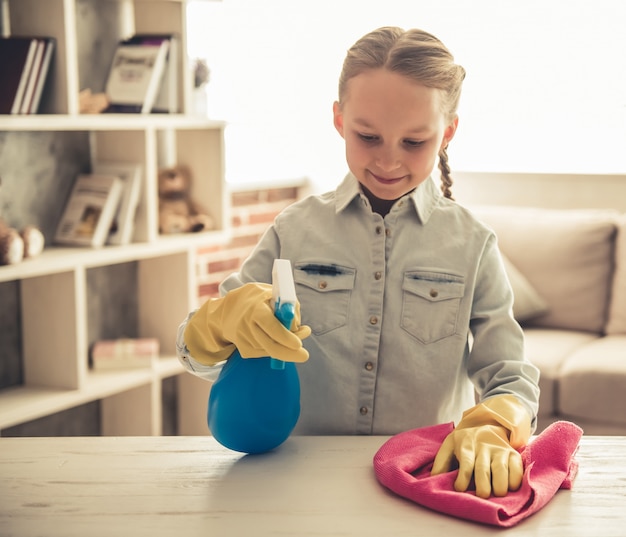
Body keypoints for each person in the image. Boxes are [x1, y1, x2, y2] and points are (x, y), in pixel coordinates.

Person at [177, 26, 540, 499]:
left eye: (414, 142)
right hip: (293, 488)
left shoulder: (473, 244)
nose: (388, 160)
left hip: (422, 486)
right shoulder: (294, 230)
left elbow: (510, 375)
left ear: (447, 132)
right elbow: (198, 355)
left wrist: (494, 424)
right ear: (338, 119)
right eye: (367, 135)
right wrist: (216, 324)